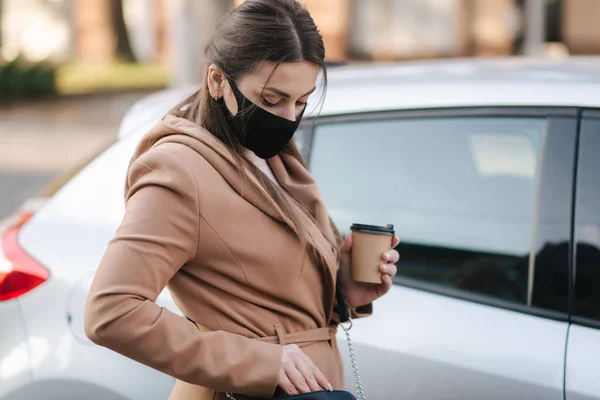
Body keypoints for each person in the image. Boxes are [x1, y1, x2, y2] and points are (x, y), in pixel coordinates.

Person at [83, 1, 399, 399]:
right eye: (271, 100)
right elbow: (111, 312)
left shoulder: (274, 160)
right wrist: (260, 363)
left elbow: (267, 300)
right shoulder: (180, 172)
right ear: (217, 81)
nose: (288, 117)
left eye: (301, 102)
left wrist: (344, 290)